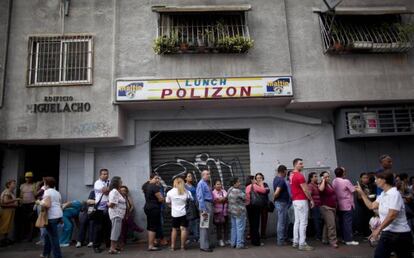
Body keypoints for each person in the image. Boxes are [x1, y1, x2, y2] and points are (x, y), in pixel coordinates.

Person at [356, 171, 412, 258]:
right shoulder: (383, 194)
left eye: (376, 179)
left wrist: (378, 229)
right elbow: (371, 206)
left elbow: (392, 215)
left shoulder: (394, 193)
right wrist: (362, 193)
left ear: (384, 180)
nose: (375, 181)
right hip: (387, 233)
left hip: (400, 234)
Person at [290, 158, 314, 251]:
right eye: (300, 164)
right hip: (301, 200)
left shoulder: (292, 175)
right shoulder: (299, 176)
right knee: (303, 223)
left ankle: (295, 242)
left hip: (295, 201)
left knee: (297, 221)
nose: (302, 165)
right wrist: (311, 199)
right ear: (295, 165)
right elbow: (305, 189)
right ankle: (302, 244)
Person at [332, 167, 359, 246]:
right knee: (347, 223)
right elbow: (353, 190)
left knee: (342, 222)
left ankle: (344, 238)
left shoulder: (334, 181)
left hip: (339, 204)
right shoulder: (346, 181)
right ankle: (349, 240)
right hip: (347, 204)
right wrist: (357, 187)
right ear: (343, 173)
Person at [39, 177, 63, 258]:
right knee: (47, 235)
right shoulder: (57, 192)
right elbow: (59, 204)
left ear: (47, 184)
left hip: (51, 217)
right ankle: (46, 253)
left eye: (44, 183)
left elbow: (48, 205)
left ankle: (57, 256)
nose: (43, 184)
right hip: (58, 215)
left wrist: (39, 202)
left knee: (53, 238)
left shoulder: (47, 192)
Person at [166, 177, 191, 251]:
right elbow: (190, 200)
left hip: (174, 214)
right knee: (183, 229)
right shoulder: (186, 192)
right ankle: (182, 246)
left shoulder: (170, 192)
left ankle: (173, 246)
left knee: (174, 229)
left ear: (174, 183)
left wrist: (172, 206)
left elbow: (167, 202)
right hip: (184, 213)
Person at [142, 172, 164, 251]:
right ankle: (151, 246)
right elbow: (161, 199)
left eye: (158, 178)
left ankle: (153, 243)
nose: (157, 180)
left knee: (150, 226)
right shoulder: (155, 187)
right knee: (153, 227)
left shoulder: (145, 186)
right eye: (156, 178)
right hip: (154, 208)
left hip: (147, 207)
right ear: (150, 178)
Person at [246, 173, 267, 247]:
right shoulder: (254, 186)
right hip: (255, 207)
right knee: (256, 224)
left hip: (248, 207)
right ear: (252, 180)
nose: (256, 180)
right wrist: (261, 184)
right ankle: (256, 242)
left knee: (252, 224)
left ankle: (252, 240)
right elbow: (264, 191)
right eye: (254, 179)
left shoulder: (247, 187)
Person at [92, 168, 111, 253]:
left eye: (106, 174)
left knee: (108, 227)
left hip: (108, 208)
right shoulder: (97, 183)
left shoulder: (109, 182)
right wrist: (110, 188)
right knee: (98, 228)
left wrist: (109, 188)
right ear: (100, 175)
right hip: (99, 208)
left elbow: (114, 190)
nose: (105, 175)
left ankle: (108, 244)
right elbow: (106, 191)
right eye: (103, 174)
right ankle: (96, 246)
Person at [319, 171, 338, 248]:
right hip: (326, 207)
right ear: (322, 177)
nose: (328, 178)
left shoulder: (329, 184)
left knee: (327, 224)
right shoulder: (321, 184)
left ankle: (324, 239)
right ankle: (333, 241)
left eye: (328, 176)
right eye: (325, 177)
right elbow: (320, 190)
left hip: (332, 207)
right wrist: (323, 180)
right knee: (332, 225)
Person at [196, 170, 214, 252]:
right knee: (204, 226)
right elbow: (200, 197)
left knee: (208, 226)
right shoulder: (201, 183)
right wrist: (203, 209)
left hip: (209, 204)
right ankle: (204, 246)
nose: (209, 175)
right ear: (203, 175)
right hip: (205, 205)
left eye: (209, 174)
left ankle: (207, 243)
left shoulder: (206, 183)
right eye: (207, 174)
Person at [108, 176, 126, 254]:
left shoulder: (116, 191)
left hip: (118, 214)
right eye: (120, 181)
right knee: (115, 231)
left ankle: (115, 247)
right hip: (116, 214)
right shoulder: (114, 191)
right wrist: (108, 204)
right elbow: (112, 204)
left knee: (116, 231)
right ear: (116, 182)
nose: (121, 182)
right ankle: (112, 248)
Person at [227, 177, 247, 249]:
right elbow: (245, 197)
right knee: (240, 228)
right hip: (239, 212)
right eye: (238, 182)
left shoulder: (229, 190)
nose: (240, 183)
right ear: (234, 183)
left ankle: (233, 243)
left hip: (232, 212)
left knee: (234, 228)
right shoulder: (238, 191)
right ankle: (239, 244)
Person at [273, 165, 290, 246]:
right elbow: (276, 192)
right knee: (282, 222)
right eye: (286, 171)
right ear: (284, 171)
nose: (286, 173)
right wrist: (275, 198)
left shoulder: (275, 179)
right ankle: (280, 241)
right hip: (282, 203)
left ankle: (283, 239)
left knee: (283, 222)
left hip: (281, 203)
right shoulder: (281, 180)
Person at [18, 171, 37, 242]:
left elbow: (35, 194)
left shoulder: (34, 185)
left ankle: (30, 236)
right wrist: (20, 203)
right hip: (23, 205)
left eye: (30, 177)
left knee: (31, 221)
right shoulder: (22, 185)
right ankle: (23, 236)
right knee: (24, 220)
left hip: (31, 204)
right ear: (25, 178)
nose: (28, 179)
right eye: (27, 177)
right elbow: (20, 195)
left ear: (32, 178)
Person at [0, 179, 19, 247]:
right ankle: (2, 241)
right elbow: (5, 201)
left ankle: (5, 240)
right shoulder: (7, 192)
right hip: (6, 211)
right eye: (13, 183)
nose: (15, 185)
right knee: (5, 225)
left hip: (9, 211)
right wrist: (16, 200)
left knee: (7, 225)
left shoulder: (11, 192)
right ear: (8, 185)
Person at [356, 172, 376, 237]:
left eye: (367, 178)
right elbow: (359, 197)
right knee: (365, 219)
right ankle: (366, 234)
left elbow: (373, 193)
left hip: (371, 203)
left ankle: (371, 233)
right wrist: (365, 196)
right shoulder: (360, 186)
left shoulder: (371, 185)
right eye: (364, 178)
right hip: (363, 205)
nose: (366, 179)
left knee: (371, 218)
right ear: (361, 178)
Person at [212, 179, 228, 247]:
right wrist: (222, 199)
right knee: (219, 227)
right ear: (214, 185)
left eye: (220, 184)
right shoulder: (213, 193)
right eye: (217, 184)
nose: (219, 185)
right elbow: (215, 200)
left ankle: (226, 239)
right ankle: (220, 240)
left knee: (225, 226)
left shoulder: (224, 191)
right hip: (217, 212)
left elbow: (227, 198)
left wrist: (221, 199)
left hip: (225, 212)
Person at [307, 172, 322, 241]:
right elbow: (309, 195)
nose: (316, 178)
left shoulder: (316, 185)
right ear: (311, 178)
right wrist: (311, 202)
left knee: (319, 220)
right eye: (315, 176)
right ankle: (318, 236)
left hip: (319, 204)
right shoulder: (310, 185)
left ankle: (319, 235)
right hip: (315, 205)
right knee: (316, 220)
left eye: (316, 176)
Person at [185, 172, 199, 243]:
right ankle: (189, 238)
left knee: (195, 221)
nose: (191, 177)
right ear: (185, 178)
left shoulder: (194, 185)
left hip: (195, 205)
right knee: (189, 222)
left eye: (191, 176)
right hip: (188, 206)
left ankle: (196, 237)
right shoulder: (184, 186)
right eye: (189, 176)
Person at [255, 173, 270, 239]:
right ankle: (256, 234)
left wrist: (261, 185)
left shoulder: (265, 184)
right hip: (257, 206)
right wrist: (261, 188)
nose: (259, 179)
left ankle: (263, 234)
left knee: (264, 220)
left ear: (262, 178)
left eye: (260, 178)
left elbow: (266, 191)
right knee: (256, 221)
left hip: (264, 206)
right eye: (257, 178)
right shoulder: (254, 185)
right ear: (255, 179)